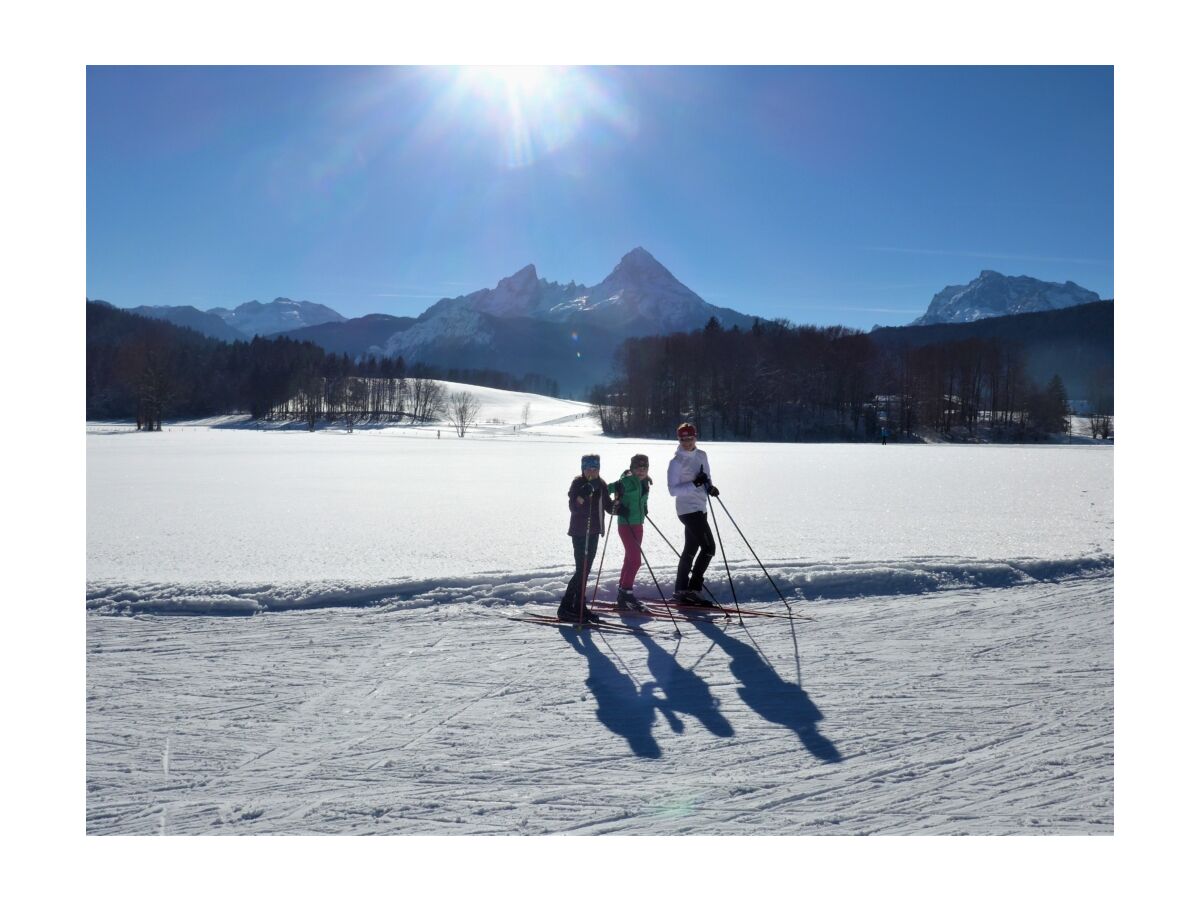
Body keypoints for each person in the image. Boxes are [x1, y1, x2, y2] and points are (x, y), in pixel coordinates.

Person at [666, 423, 720, 606]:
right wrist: (695, 484)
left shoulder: (702, 455)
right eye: (683, 439)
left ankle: (681, 589)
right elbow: (673, 490)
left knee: (690, 549)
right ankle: (694, 589)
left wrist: (710, 487)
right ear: (679, 440)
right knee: (709, 548)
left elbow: (707, 476)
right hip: (687, 510)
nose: (687, 442)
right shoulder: (676, 462)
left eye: (690, 438)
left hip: (701, 508)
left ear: (695, 437)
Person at [558, 453, 614, 623]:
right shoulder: (578, 483)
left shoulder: (601, 484)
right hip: (580, 533)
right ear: (582, 469)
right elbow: (573, 507)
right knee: (582, 570)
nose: (591, 471)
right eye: (588, 468)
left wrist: (619, 503)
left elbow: (609, 507)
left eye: (595, 468)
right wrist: (583, 494)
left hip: (594, 532)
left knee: (585, 570)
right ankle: (566, 607)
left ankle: (578, 606)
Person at [607, 454, 653, 612]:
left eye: (644, 468)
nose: (641, 471)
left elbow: (643, 499)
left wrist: (644, 508)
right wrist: (615, 506)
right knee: (635, 561)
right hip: (625, 525)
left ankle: (622, 594)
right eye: (637, 468)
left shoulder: (645, 482)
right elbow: (607, 489)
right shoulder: (626, 481)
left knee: (629, 559)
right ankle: (626, 593)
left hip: (638, 525)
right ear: (632, 469)